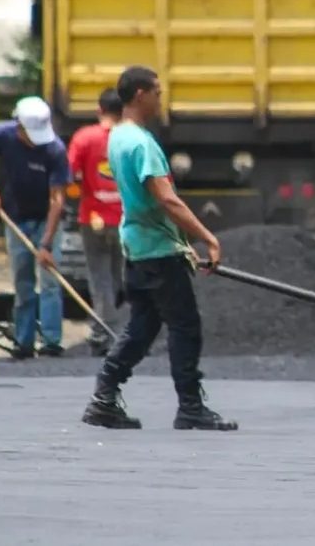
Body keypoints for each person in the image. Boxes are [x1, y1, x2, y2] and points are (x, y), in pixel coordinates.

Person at [81, 66, 236, 431]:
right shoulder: (140, 143)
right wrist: (207, 238)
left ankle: (104, 396)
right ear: (140, 94)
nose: (161, 99)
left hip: (137, 247)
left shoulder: (118, 137)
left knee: (143, 326)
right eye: (157, 92)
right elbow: (167, 199)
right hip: (157, 250)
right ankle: (191, 407)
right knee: (185, 326)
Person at [0, 96, 70, 359]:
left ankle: (51, 342)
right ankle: (23, 343)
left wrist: (46, 244)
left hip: (47, 219)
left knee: (50, 282)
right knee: (23, 281)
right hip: (16, 219)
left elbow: (57, 200)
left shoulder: (55, 149)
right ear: (18, 126)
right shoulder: (1, 135)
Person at [67, 88, 125, 356]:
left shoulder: (84, 138)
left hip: (93, 218)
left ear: (99, 109)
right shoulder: (131, 138)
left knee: (99, 277)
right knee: (117, 276)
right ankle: (116, 330)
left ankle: (104, 334)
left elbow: (70, 174)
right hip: (126, 219)